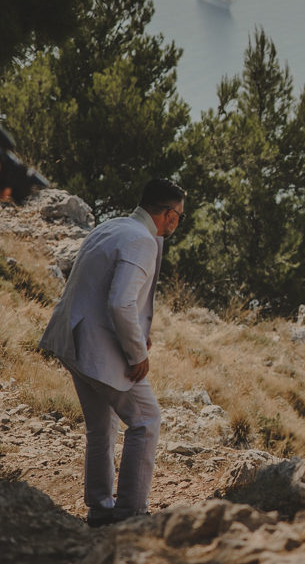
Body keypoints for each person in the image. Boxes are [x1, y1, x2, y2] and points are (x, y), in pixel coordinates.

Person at [39, 178, 186, 526]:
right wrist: (136, 354)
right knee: (146, 421)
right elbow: (120, 302)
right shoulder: (142, 241)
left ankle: (101, 509)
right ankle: (131, 514)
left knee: (102, 428)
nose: (178, 222)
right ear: (169, 215)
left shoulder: (114, 226)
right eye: (179, 216)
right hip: (96, 348)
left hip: (71, 341)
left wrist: (137, 333)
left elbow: (98, 288)